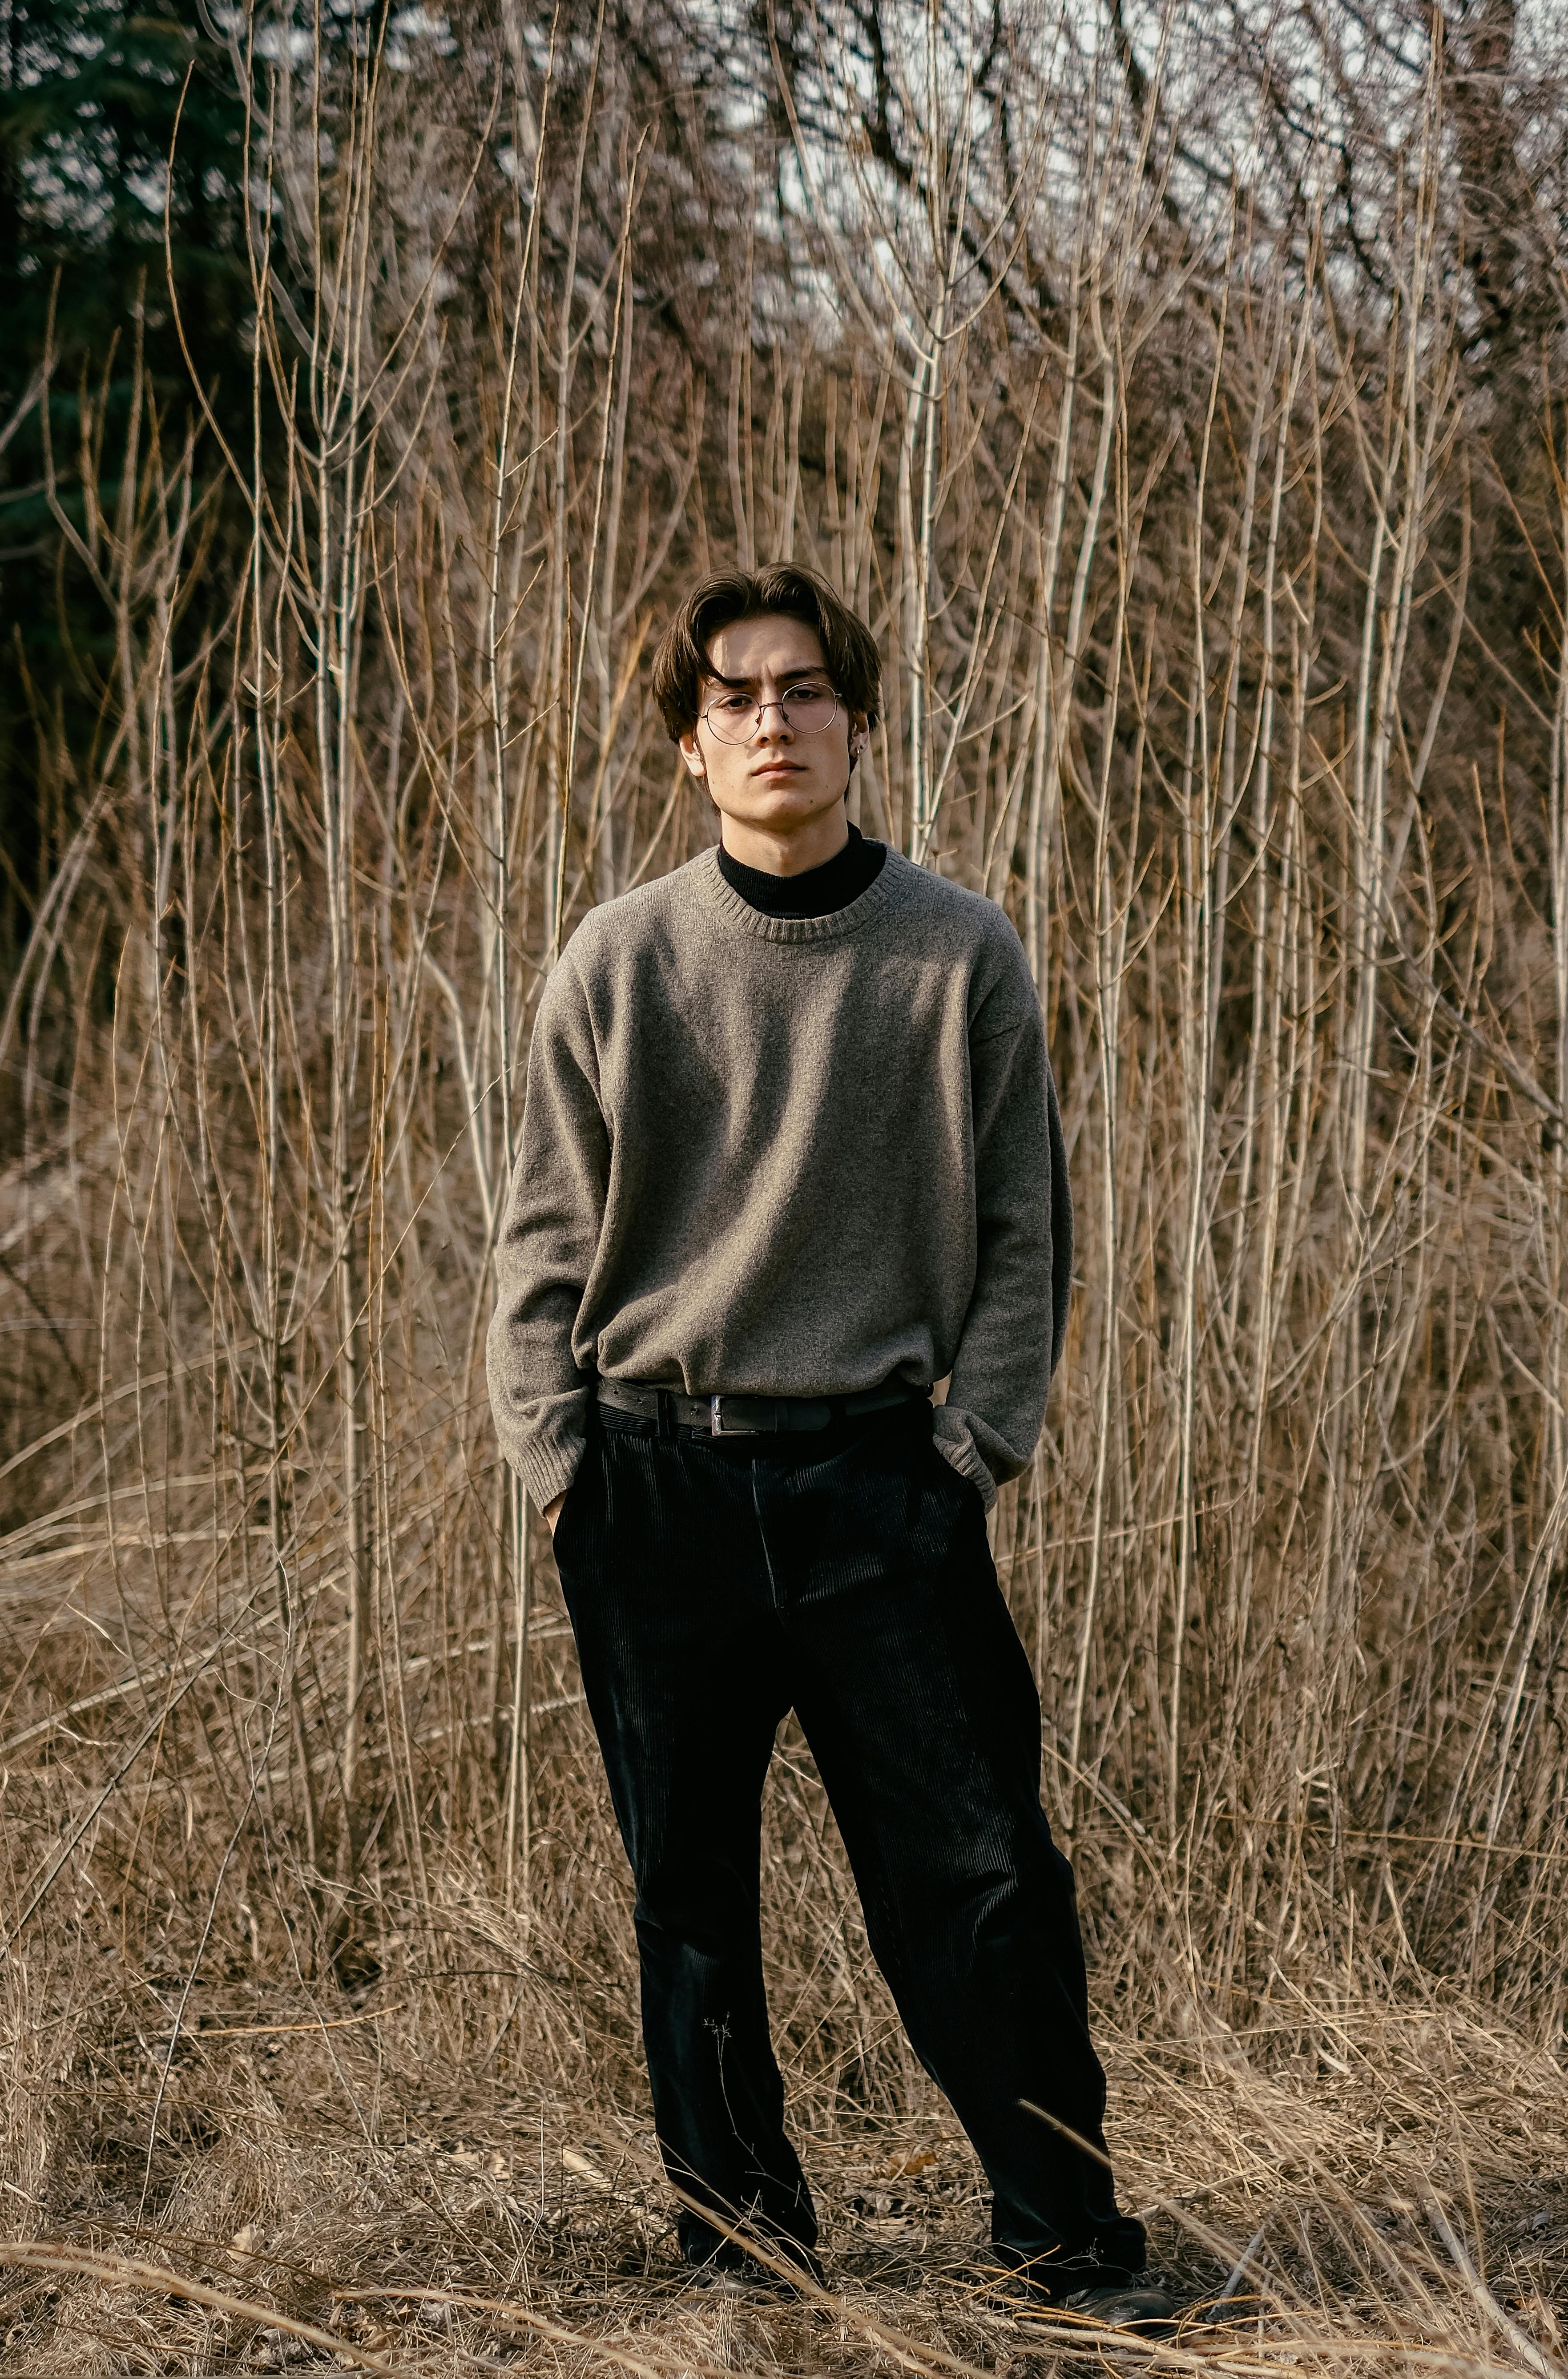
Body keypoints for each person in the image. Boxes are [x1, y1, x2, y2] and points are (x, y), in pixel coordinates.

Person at [487, 563, 1170, 2328]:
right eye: (734, 696)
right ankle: (749, 2262)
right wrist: (561, 1476)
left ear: (855, 720)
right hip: (654, 1483)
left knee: (985, 1880)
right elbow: (540, 1248)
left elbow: (1024, 1233)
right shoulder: (619, 960)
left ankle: (1065, 2248)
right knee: (692, 1900)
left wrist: (972, 1450)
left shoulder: (959, 952)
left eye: (802, 689)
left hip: (884, 1485)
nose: (771, 721)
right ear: (690, 742)